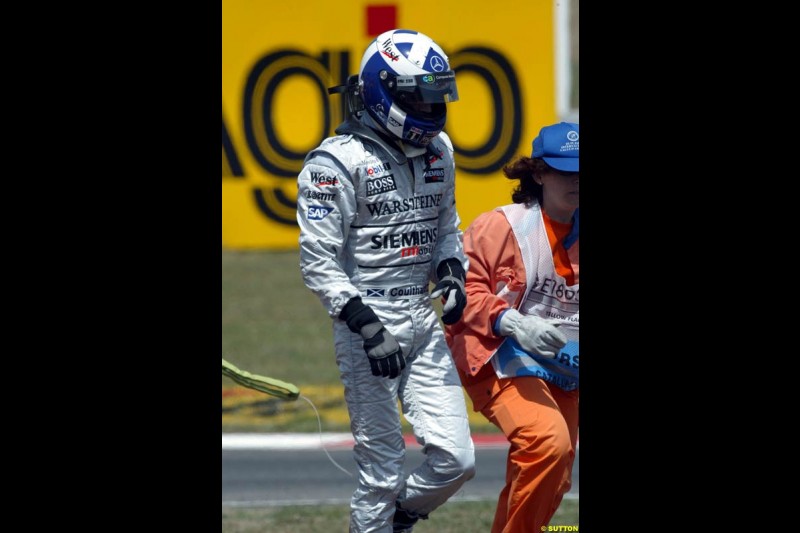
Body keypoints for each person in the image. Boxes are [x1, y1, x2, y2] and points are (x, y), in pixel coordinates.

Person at [296, 28, 475, 533]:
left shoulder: (440, 149)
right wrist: (368, 328)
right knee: (380, 475)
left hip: (423, 318)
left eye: (438, 94)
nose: (432, 106)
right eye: (421, 95)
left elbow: (447, 229)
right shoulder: (333, 163)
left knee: (458, 462)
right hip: (367, 325)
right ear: (383, 92)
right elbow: (318, 262)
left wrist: (451, 271)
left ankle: (394, 521)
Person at [445, 122, 579, 532]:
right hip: (499, 355)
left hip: (566, 364)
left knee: (555, 473)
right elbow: (459, 292)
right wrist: (512, 321)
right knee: (547, 444)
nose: (576, 181)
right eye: (564, 171)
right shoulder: (500, 226)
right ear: (538, 174)